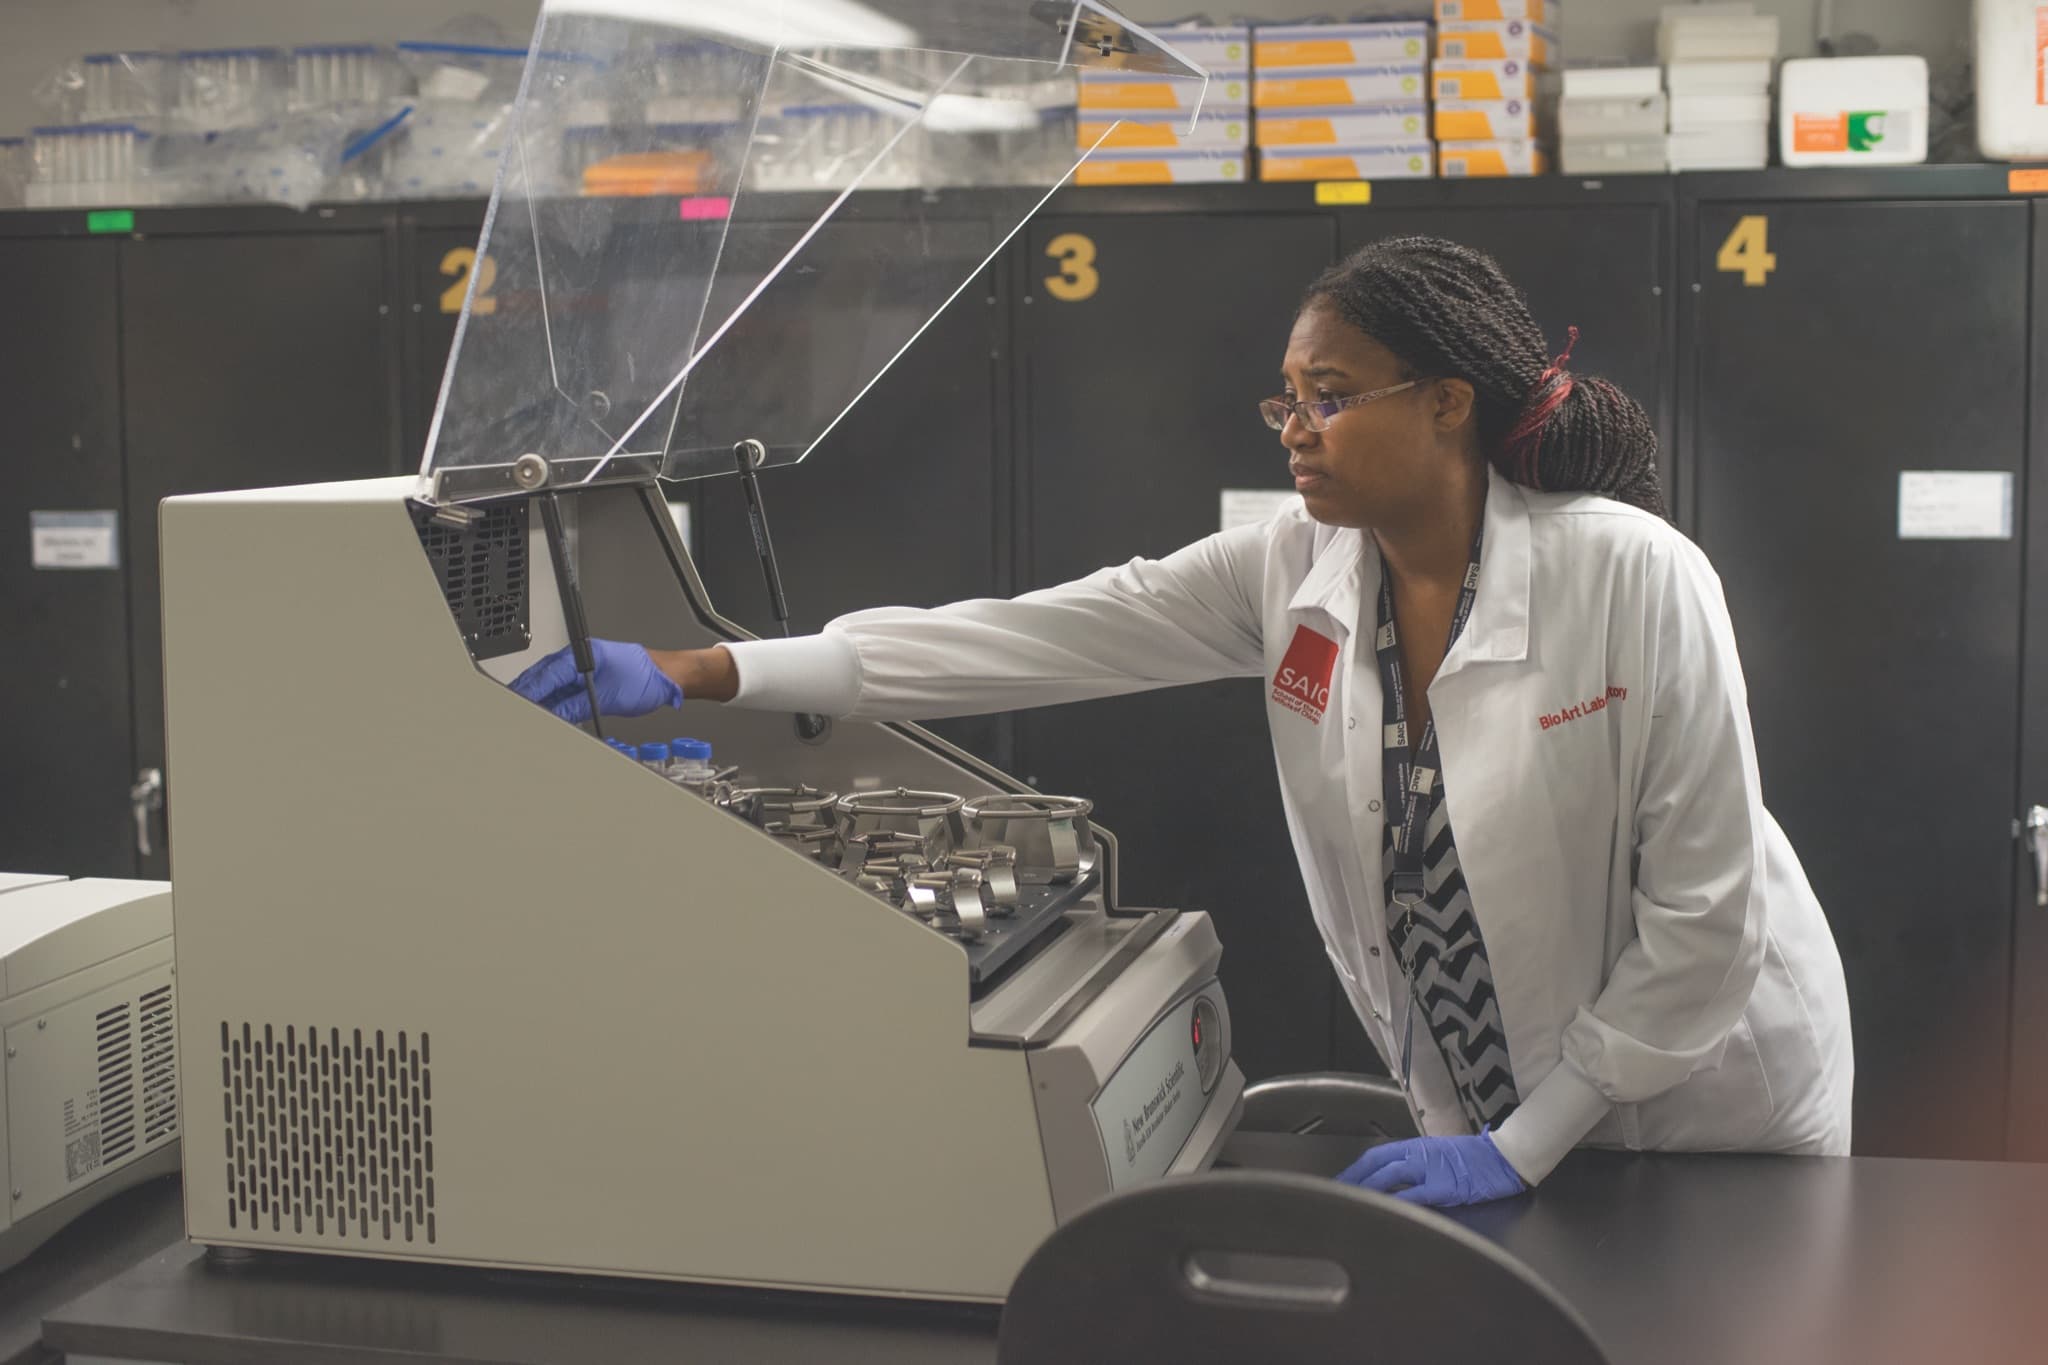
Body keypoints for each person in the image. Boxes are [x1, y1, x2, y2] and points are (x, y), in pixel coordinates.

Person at [512, 236, 1854, 1208]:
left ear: (1448, 402)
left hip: (1703, 1123)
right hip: (1491, 1116)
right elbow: (1029, 635)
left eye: (1333, 393)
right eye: (1289, 397)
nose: (1298, 428)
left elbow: (1703, 929)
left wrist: (1529, 1138)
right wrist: (707, 670)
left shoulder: (1633, 578)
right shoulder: (1293, 572)